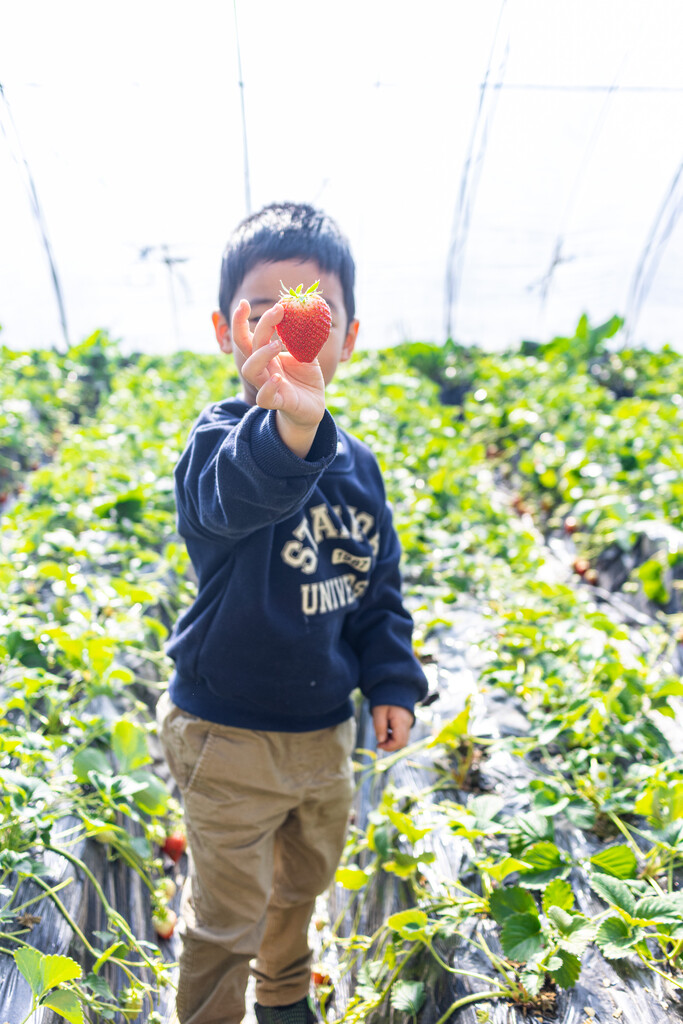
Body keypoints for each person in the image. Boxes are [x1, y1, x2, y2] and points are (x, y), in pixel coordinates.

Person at [156, 202, 429, 1024]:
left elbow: (375, 587)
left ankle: (281, 1001)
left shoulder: (362, 469)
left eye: (313, 308)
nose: (288, 322)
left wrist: (390, 681)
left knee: (301, 885)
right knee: (228, 910)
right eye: (263, 309)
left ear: (347, 337)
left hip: (322, 733)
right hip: (227, 735)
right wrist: (289, 429)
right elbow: (230, 500)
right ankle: (210, 1014)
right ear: (226, 331)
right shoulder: (221, 444)